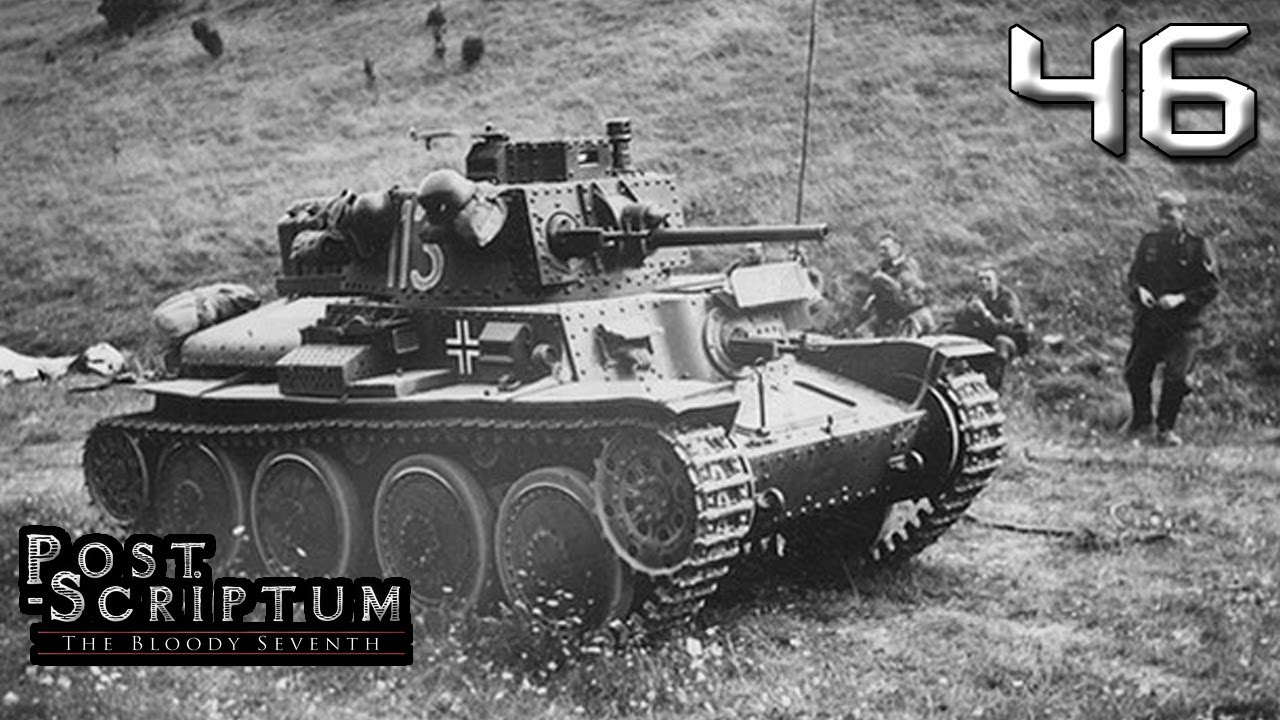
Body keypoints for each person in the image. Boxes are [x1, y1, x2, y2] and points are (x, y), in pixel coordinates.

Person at [1123, 190, 1220, 447]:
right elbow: (1134, 276)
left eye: (1170, 216)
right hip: (1152, 321)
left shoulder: (1198, 246)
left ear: (1183, 214)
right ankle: (1142, 420)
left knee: (1176, 378)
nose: (1164, 222)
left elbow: (1211, 287)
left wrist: (1181, 298)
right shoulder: (1149, 243)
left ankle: (1165, 429)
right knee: (1135, 372)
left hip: (1184, 325)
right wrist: (1139, 291)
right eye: (1161, 216)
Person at [952, 265, 1028, 388]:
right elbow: (959, 319)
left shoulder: (1008, 299)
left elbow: (1006, 328)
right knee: (954, 331)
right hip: (988, 337)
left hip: (1012, 340)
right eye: (981, 279)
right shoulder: (979, 296)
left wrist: (985, 314)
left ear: (997, 281)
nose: (984, 283)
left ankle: (994, 385)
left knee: (1001, 341)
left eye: (988, 279)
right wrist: (968, 310)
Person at [861, 233, 935, 338]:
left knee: (904, 338)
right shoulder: (883, 268)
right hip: (889, 316)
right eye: (880, 249)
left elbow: (912, 295)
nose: (882, 252)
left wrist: (890, 286)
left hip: (911, 315)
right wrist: (874, 298)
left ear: (897, 247)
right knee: (862, 333)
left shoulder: (908, 266)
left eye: (885, 248)